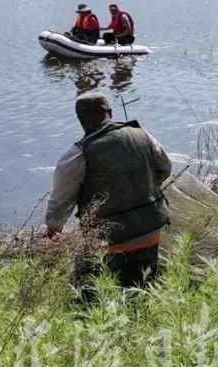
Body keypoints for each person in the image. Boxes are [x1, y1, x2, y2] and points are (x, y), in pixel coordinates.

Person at [44, 92, 171, 301]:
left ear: (80, 120)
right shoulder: (141, 135)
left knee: (100, 296)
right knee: (145, 288)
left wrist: (53, 229)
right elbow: (165, 168)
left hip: (110, 241)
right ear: (110, 113)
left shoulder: (77, 155)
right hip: (152, 229)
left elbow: (60, 203)